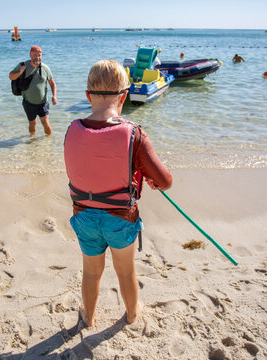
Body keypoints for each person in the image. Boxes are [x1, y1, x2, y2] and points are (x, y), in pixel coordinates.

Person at [64, 59, 173, 327]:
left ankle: (88, 318)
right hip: (121, 218)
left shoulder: (72, 129)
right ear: (124, 96)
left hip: (84, 217)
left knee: (91, 272)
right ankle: (133, 314)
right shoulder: (134, 134)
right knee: (126, 272)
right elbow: (165, 181)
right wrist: (146, 176)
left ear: (88, 95)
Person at [9, 45, 57, 135]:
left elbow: (52, 83)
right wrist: (20, 72)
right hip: (28, 102)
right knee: (32, 123)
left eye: (39, 55)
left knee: (45, 122)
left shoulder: (45, 68)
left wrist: (54, 96)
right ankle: (32, 143)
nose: (37, 57)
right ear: (30, 55)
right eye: (35, 55)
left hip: (43, 102)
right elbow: (11, 76)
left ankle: (48, 143)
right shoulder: (23, 66)